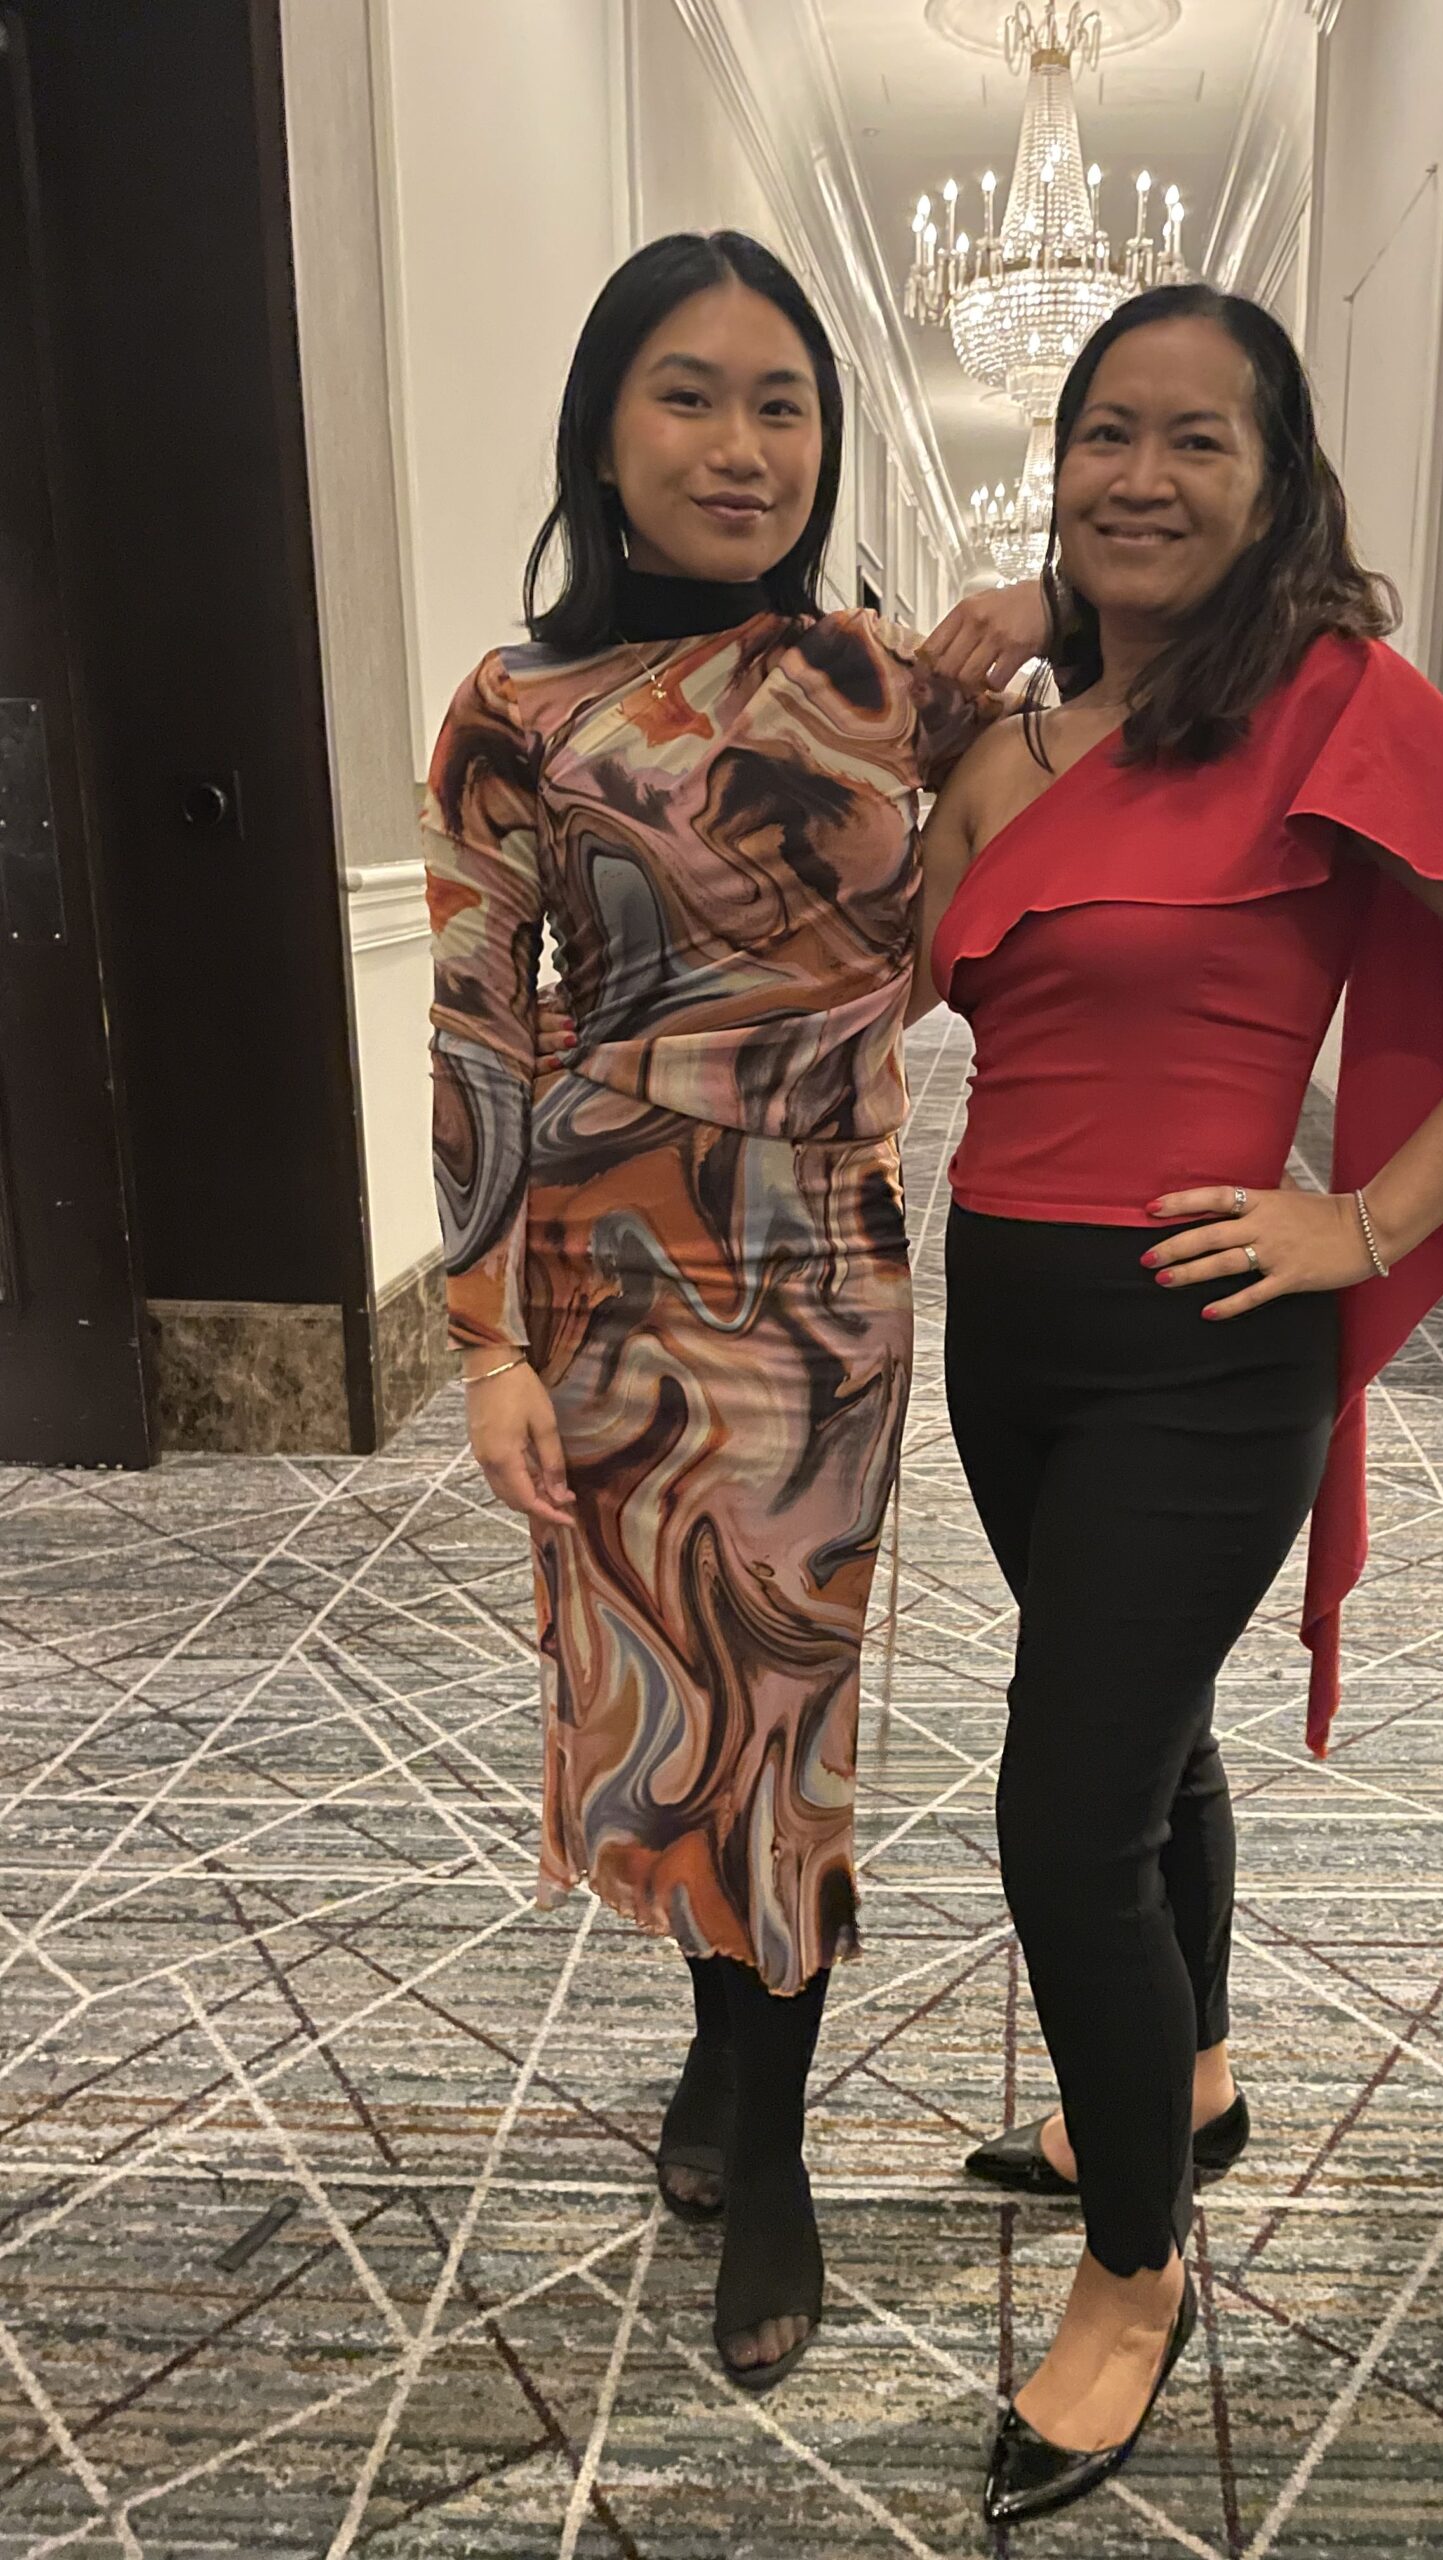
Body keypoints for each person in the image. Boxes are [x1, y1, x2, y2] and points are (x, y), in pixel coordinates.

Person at [913, 283, 1443, 2526]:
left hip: (1201, 1341)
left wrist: (1368, 1211)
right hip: (1005, 1316)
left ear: (1276, 482)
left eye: (1197, 442)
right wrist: (964, 685)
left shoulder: (1327, 699)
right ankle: (1197, 2073)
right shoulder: (1018, 733)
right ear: (1057, 466)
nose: (1142, 475)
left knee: (1061, 1816)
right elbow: (920, 965)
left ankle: (1134, 2271)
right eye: (1104, 435)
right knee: (1149, 1750)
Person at [423, 228, 1040, 2393]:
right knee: (657, 1703)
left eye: (783, 398)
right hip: (601, 1273)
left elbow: (1264, 621)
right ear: (604, 422)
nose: (742, 440)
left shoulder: (906, 683)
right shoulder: (518, 709)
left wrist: (1046, 600)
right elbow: (487, 1016)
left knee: (781, 1711)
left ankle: (766, 2145)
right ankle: (722, 2048)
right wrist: (487, 1335)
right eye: (689, 391)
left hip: (817, 1284)